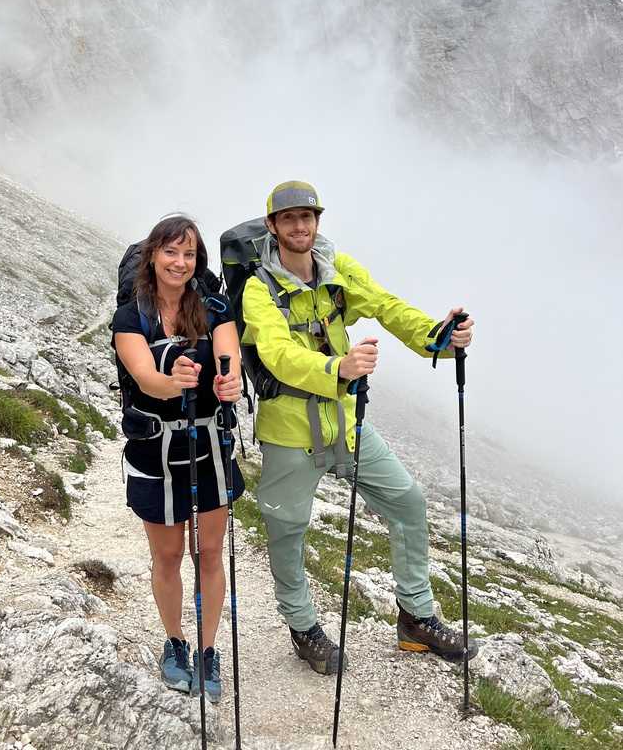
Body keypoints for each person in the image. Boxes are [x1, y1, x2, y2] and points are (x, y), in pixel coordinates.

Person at [241, 180, 477, 675]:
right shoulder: (259, 289)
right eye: (289, 219)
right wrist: (338, 371)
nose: (300, 226)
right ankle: (303, 627)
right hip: (289, 431)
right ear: (272, 226)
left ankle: (415, 616)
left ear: (317, 223)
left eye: (308, 217)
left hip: (346, 426)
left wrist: (438, 337)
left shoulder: (337, 271)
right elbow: (276, 354)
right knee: (287, 531)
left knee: (407, 502)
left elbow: (386, 306)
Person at [112, 215, 244, 704]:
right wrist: (176, 381)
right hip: (156, 449)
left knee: (209, 553)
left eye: (188, 255)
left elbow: (227, 355)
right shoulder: (131, 316)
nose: (179, 263)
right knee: (167, 556)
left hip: (209, 445)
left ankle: (207, 651)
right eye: (170, 252)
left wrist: (224, 383)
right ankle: (175, 642)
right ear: (152, 256)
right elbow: (145, 378)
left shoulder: (212, 306)